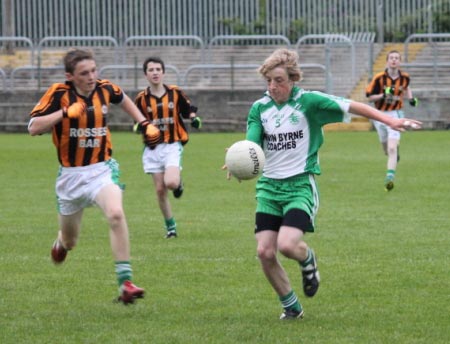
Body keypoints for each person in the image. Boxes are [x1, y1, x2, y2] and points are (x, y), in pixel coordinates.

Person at [224, 48, 421, 320]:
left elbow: (353, 106)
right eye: (269, 80)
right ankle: (291, 306)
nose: (273, 86)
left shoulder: (310, 102)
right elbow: (252, 144)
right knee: (264, 251)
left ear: (292, 78)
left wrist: (389, 120)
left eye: (279, 80)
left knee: (288, 245)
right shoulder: (260, 108)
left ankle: (307, 260)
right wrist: (238, 161)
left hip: (300, 186)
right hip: (269, 188)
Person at [28, 48, 161, 304]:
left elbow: (124, 99)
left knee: (115, 213)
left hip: (101, 169)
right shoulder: (59, 93)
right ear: (70, 76)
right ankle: (61, 242)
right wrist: (65, 113)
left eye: (93, 70)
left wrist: (143, 123)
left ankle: (126, 283)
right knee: (70, 241)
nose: (91, 77)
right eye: (84, 73)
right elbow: (33, 127)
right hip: (70, 177)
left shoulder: (105, 88)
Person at [134, 56, 202, 239]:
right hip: (153, 148)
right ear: (145, 74)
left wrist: (194, 118)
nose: (155, 73)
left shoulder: (174, 93)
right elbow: (137, 120)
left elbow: (188, 108)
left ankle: (178, 183)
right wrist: (139, 127)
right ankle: (171, 227)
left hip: (172, 145)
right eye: (151, 70)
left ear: (163, 72)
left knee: (170, 183)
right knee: (159, 190)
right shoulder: (141, 99)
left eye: (158, 69)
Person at [366, 50, 418, 191]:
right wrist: (383, 95)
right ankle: (394, 156)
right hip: (380, 114)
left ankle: (389, 178)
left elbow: (407, 88)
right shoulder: (379, 78)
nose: (394, 60)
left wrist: (411, 99)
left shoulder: (405, 77)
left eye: (397, 58)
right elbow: (369, 97)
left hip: (396, 114)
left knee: (391, 147)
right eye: (391, 58)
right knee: (386, 149)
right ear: (387, 61)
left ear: (399, 61)